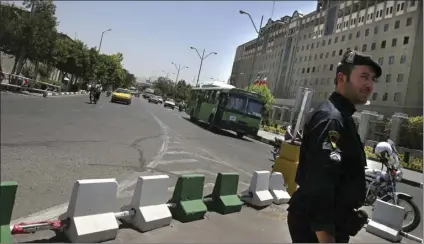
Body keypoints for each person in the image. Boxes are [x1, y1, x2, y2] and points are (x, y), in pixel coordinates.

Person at [287, 50, 382, 243]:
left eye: (372, 79)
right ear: (341, 78)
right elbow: (320, 185)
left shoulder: (343, 118)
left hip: (332, 225)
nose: (370, 85)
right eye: (363, 77)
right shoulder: (331, 119)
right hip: (316, 231)